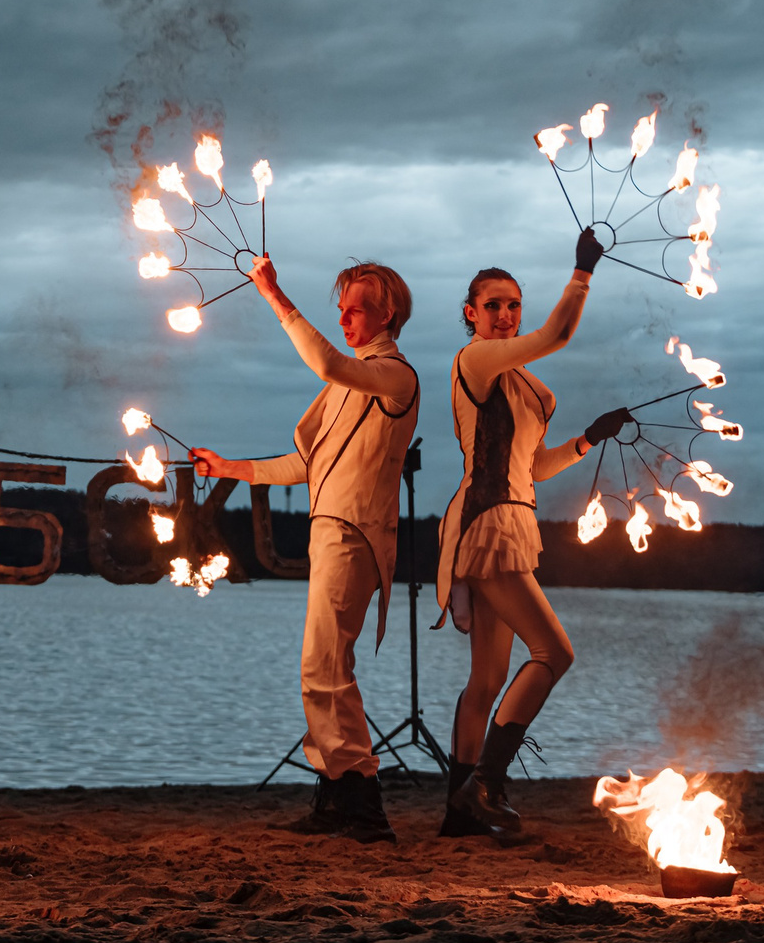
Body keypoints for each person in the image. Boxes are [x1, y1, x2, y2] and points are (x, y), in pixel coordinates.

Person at [190, 258, 420, 842]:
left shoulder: (396, 376)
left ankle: (362, 808)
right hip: (330, 531)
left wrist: (273, 294)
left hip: (356, 534)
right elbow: (306, 463)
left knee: (323, 667)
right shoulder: (344, 385)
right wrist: (229, 468)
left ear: (387, 312)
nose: (343, 319)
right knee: (324, 666)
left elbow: (325, 360)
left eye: (356, 309)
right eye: (339, 310)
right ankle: (337, 801)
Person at [433, 231, 634, 837]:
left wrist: (587, 440)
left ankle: (458, 812)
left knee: (488, 680)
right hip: (488, 521)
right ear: (471, 315)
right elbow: (558, 336)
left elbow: (533, 464)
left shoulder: (520, 380)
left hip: (514, 514)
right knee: (555, 653)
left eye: (513, 305)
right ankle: (485, 786)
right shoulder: (476, 360)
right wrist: (581, 275)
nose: (505, 315)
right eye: (493, 305)